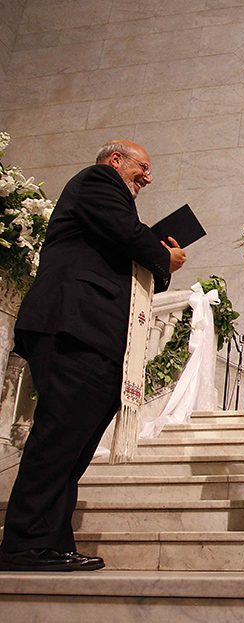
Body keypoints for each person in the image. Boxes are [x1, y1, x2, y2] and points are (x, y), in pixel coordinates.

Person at [0, 140, 187, 572]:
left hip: (95, 333)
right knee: (59, 437)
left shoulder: (107, 206)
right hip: (73, 325)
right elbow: (128, 234)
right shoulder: (98, 180)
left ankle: (50, 540)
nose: (148, 176)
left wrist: (158, 260)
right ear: (116, 160)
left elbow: (122, 252)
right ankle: (23, 543)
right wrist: (163, 255)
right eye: (143, 166)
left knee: (75, 445)